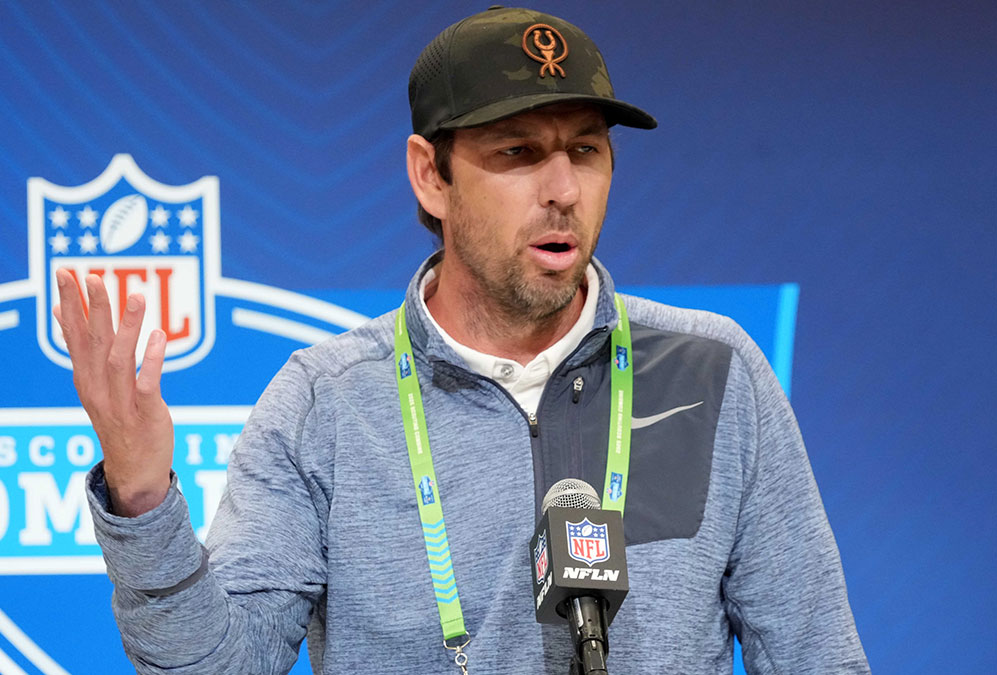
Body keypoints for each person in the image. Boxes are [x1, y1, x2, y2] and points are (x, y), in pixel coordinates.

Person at [54, 6, 870, 674]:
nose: (561, 191)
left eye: (585, 150)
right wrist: (141, 497)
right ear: (429, 175)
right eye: (518, 154)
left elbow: (815, 654)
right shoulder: (326, 402)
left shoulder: (713, 371)